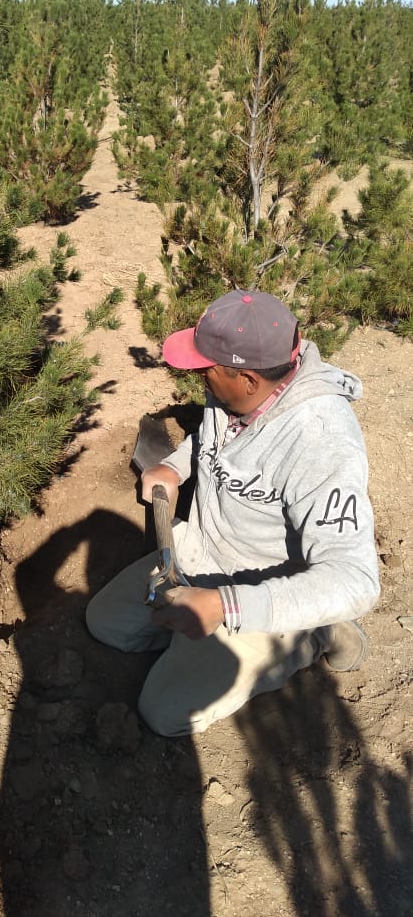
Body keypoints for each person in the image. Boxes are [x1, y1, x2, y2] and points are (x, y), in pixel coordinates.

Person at [86, 289, 379, 737]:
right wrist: (176, 465)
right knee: (104, 623)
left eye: (207, 370)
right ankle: (192, 638)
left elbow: (355, 580)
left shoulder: (320, 441)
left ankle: (313, 634)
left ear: (246, 379)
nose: (199, 377)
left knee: (164, 711)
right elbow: (212, 438)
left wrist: (227, 606)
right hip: (200, 554)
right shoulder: (237, 390)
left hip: (261, 584)